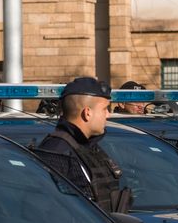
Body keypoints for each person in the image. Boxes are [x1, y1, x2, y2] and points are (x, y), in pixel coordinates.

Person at [36, 76, 131, 213]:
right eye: (105, 109)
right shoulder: (57, 154)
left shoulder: (89, 148)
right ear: (87, 113)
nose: (108, 115)